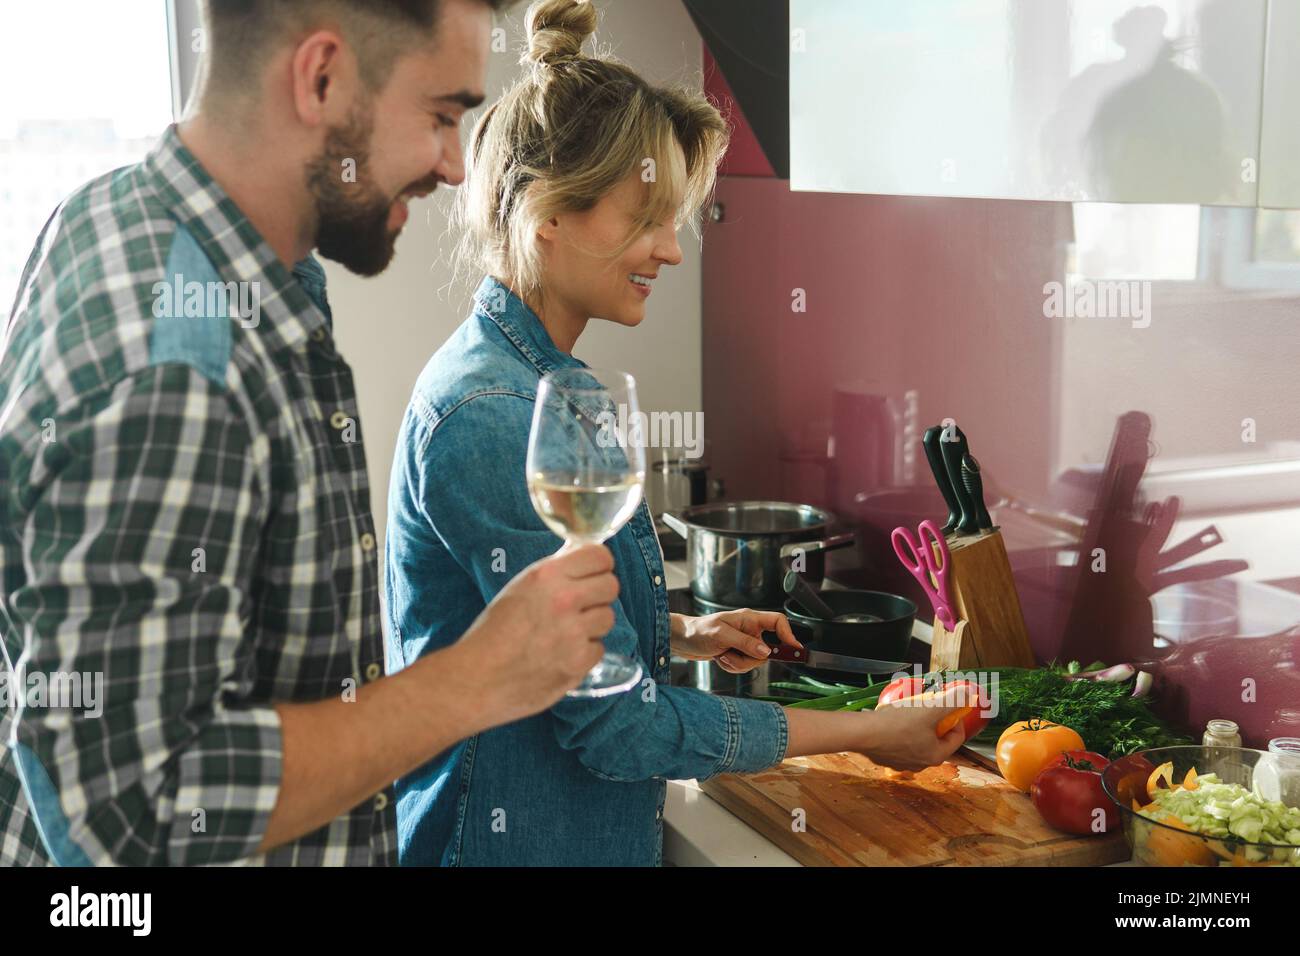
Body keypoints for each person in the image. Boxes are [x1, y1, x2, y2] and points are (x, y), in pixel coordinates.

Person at [0, 0, 621, 867]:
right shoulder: (179, 363)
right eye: (441, 116)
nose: (454, 167)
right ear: (321, 77)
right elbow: (127, 822)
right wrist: (476, 680)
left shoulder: (126, 217)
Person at [385, 0, 969, 867]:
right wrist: (866, 735)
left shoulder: (537, 383)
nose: (672, 250)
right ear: (549, 211)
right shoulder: (498, 416)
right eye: (647, 217)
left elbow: (559, 648)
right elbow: (618, 728)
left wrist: (681, 634)